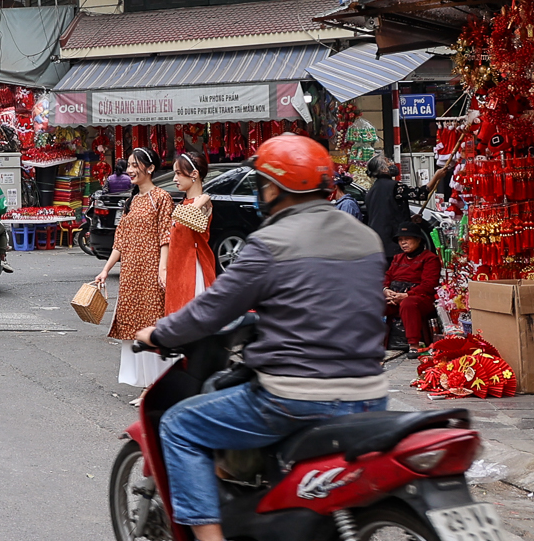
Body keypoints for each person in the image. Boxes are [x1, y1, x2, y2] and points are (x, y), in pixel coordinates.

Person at [134, 135, 388, 541]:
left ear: (274, 188)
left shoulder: (270, 243)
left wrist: (158, 332)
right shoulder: (366, 239)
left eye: (263, 183)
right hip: (372, 395)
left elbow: (210, 310)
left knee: (180, 425)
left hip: (294, 397)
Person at [93, 147, 174, 393]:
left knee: (152, 322)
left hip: (151, 271)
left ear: (149, 168)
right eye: (128, 165)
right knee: (133, 324)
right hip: (130, 272)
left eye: (134, 165)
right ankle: (145, 384)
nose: (129, 170)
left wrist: (162, 269)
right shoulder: (132, 200)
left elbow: (165, 236)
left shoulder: (161, 198)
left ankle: (156, 385)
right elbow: (121, 241)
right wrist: (105, 270)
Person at [165, 150, 216, 315]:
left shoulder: (203, 204)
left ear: (194, 174)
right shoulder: (189, 203)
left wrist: (201, 198)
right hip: (178, 268)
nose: (174, 179)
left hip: (192, 269)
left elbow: (186, 215)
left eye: (178, 173)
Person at [384, 222, 442, 357]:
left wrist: (406, 295)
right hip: (395, 295)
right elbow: (387, 276)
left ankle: (414, 345)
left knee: (408, 304)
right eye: (400, 240)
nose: (403, 243)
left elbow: (429, 285)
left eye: (407, 239)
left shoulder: (429, 258)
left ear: (418, 239)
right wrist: (386, 290)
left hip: (420, 297)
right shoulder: (398, 258)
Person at [364, 153, 408, 261]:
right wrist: (437, 176)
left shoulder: (372, 190)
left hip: (378, 241)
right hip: (392, 241)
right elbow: (421, 193)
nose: (391, 164)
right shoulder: (394, 186)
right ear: (383, 169)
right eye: (388, 162)